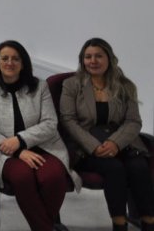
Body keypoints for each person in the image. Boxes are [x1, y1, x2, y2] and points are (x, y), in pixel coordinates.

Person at [0, 40, 80, 231]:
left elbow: (50, 123)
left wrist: (20, 140)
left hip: (46, 146)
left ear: (23, 63)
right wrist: (18, 151)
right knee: (23, 178)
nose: (10, 62)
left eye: (15, 59)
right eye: (5, 58)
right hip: (8, 151)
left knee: (53, 177)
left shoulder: (40, 87)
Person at [60, 38, 154, 231]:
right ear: (82, 60)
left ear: (109, 58)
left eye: (98, 56)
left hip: (123, 144)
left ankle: (148, 222)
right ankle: (119, 225)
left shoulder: (125, 85)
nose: (93, 61)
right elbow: (68, 120)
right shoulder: (71, 85)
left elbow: (133, 121)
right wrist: (94, 146)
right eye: (88, 57)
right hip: (86, 147)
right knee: (115, 168)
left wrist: (115, 143)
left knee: (139, 167)